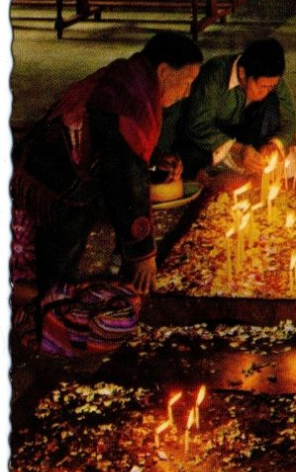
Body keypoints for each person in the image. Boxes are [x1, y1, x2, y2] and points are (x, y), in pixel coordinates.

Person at [11, 33, 204, 356]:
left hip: (58, 172)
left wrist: (153, 158)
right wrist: (143, 254)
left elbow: (115, 142)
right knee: (55, 271)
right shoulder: (132, 100)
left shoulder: (132, 80)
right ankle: (39, 319)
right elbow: (125, 182)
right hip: (55, 183)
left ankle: (43, 303)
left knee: (60, 266)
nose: (185, 93)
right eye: (186, 81)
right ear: (164, 72)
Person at [177, 37, 296, 179]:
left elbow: (290, 120)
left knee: (273, 105)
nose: (264, 92)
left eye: (270, 86)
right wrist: (238, 149)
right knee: (189, 159)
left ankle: (257, 172)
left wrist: (274, 144)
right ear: (242, 73)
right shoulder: (214, 75)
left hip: (250, 138)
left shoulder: (272, 80)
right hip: (216, 140)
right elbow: (197, 124)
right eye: (261, 86)